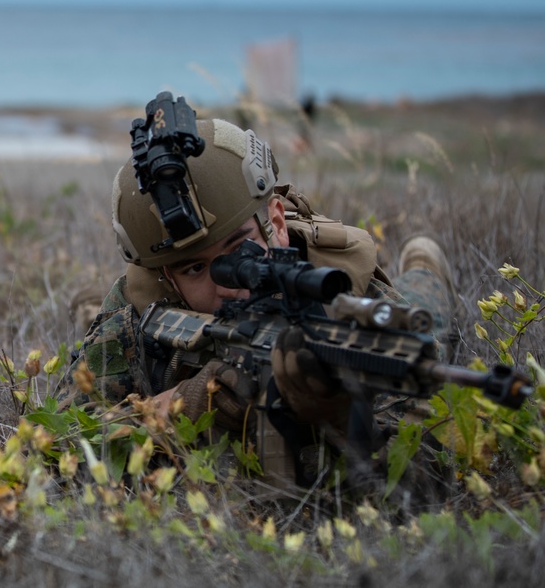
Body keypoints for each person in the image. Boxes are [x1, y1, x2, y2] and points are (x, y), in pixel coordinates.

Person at [61, 92, 457, 489]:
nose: (229, 286)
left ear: (277, 224)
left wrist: (340, 417)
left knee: (427, 317)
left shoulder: (351, 302)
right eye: (196, 268)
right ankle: (89, 308)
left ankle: (424, 267)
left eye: (239, 248)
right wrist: (188, 404)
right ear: (168, 277)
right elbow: (55, 449)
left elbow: (430, 475)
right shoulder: (141, 310)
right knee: (104, 338)